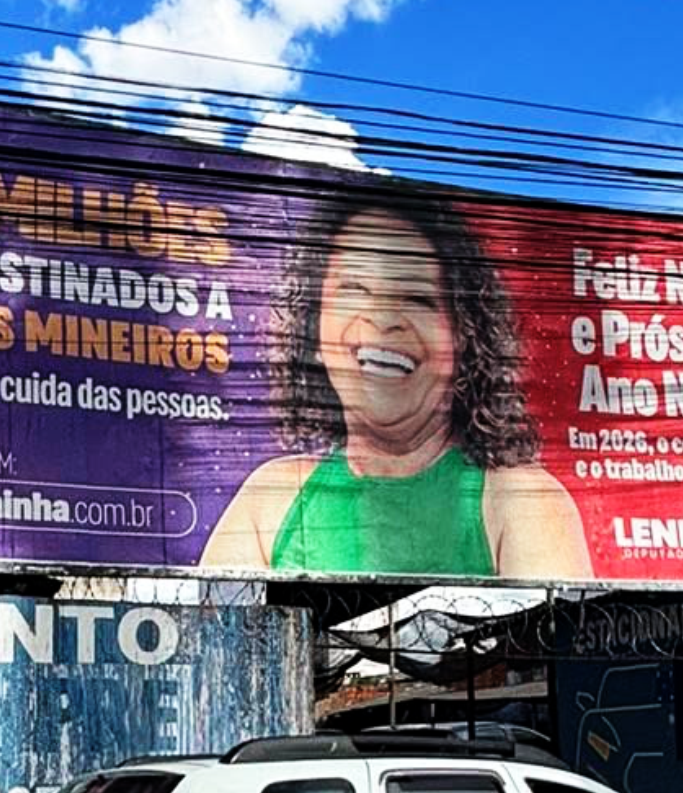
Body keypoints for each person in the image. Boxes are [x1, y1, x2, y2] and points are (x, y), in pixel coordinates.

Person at [202, 191, 591, 579]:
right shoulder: (270, 500)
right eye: (354, 290)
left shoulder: (519, 500)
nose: (383, 319)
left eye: (417, 298)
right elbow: (211, 635)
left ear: (462, 337)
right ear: (312, 334)